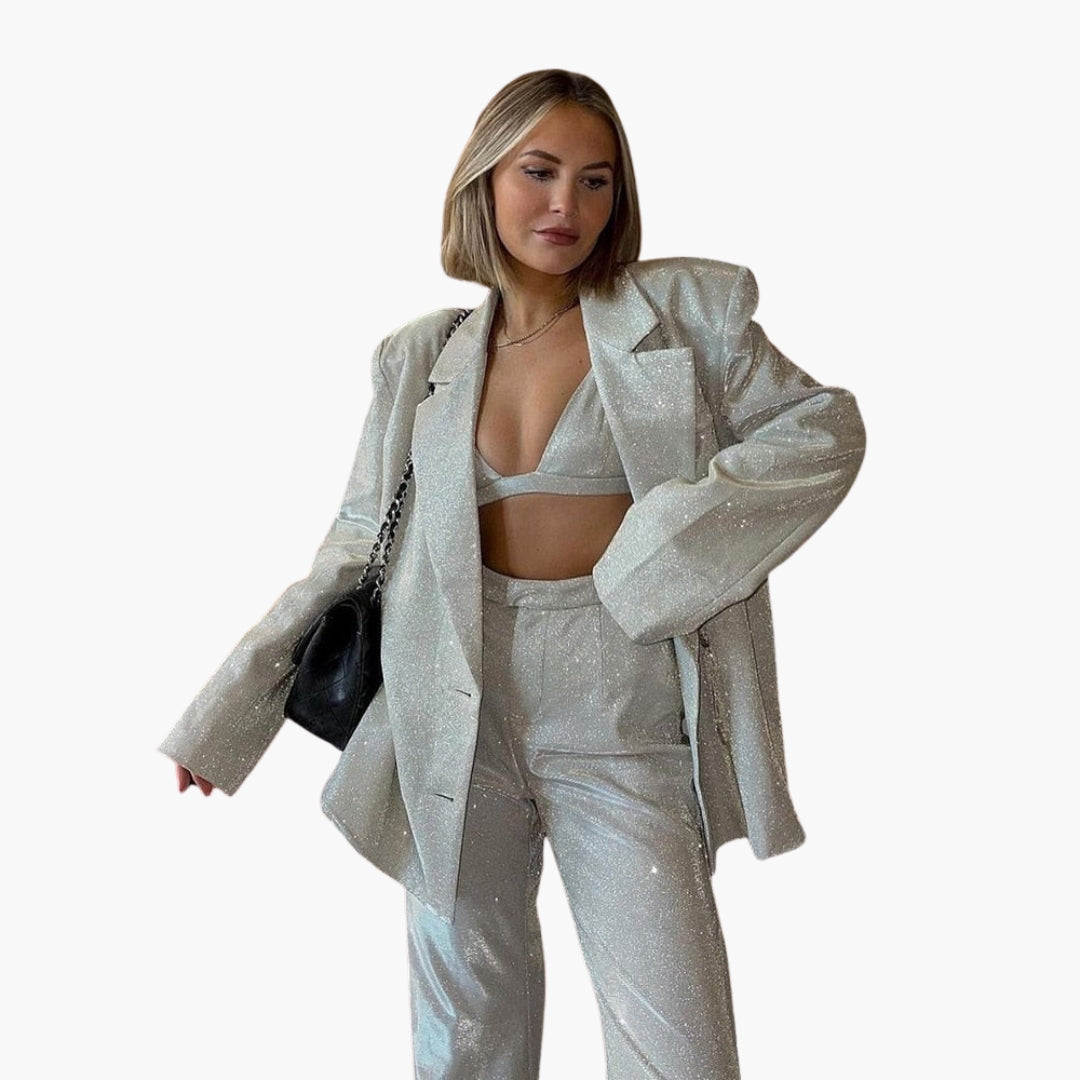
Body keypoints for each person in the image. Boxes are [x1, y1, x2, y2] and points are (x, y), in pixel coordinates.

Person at [161, 69, 865, 1079]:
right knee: (465, 1037)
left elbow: (823, 429)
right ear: (484, 180)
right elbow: (356, 543)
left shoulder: (681, 316)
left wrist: (661, 553)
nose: (566, 204)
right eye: (539, 172)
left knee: (679, 1047)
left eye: (595, 180)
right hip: (451, 701)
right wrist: (231, 713)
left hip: (621, 701)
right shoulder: (421, 355)